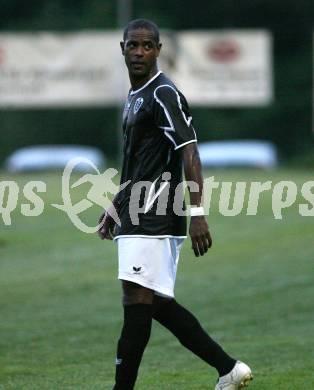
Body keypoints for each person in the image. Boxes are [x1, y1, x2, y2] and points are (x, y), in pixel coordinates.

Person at [98, 19, 253, 390]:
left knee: (135, 297)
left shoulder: (163, 93)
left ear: (158, 49)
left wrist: (198, 212)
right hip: (136, 208)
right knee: (155, 301)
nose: (139, 52)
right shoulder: (136, 96)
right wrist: (117, 204)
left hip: (156, 210)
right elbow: (138, 161)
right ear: (122, 49)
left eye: (147, 46)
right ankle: (229, 369)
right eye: (132, 45)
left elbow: (189, 151)